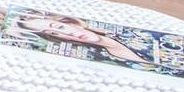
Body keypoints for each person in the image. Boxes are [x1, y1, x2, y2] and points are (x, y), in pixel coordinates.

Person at [17, 12, 151, 65]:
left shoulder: (138, 35)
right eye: (54, 34)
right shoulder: (100, 58)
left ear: (69, 22)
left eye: (61, 27)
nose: (68, 35)